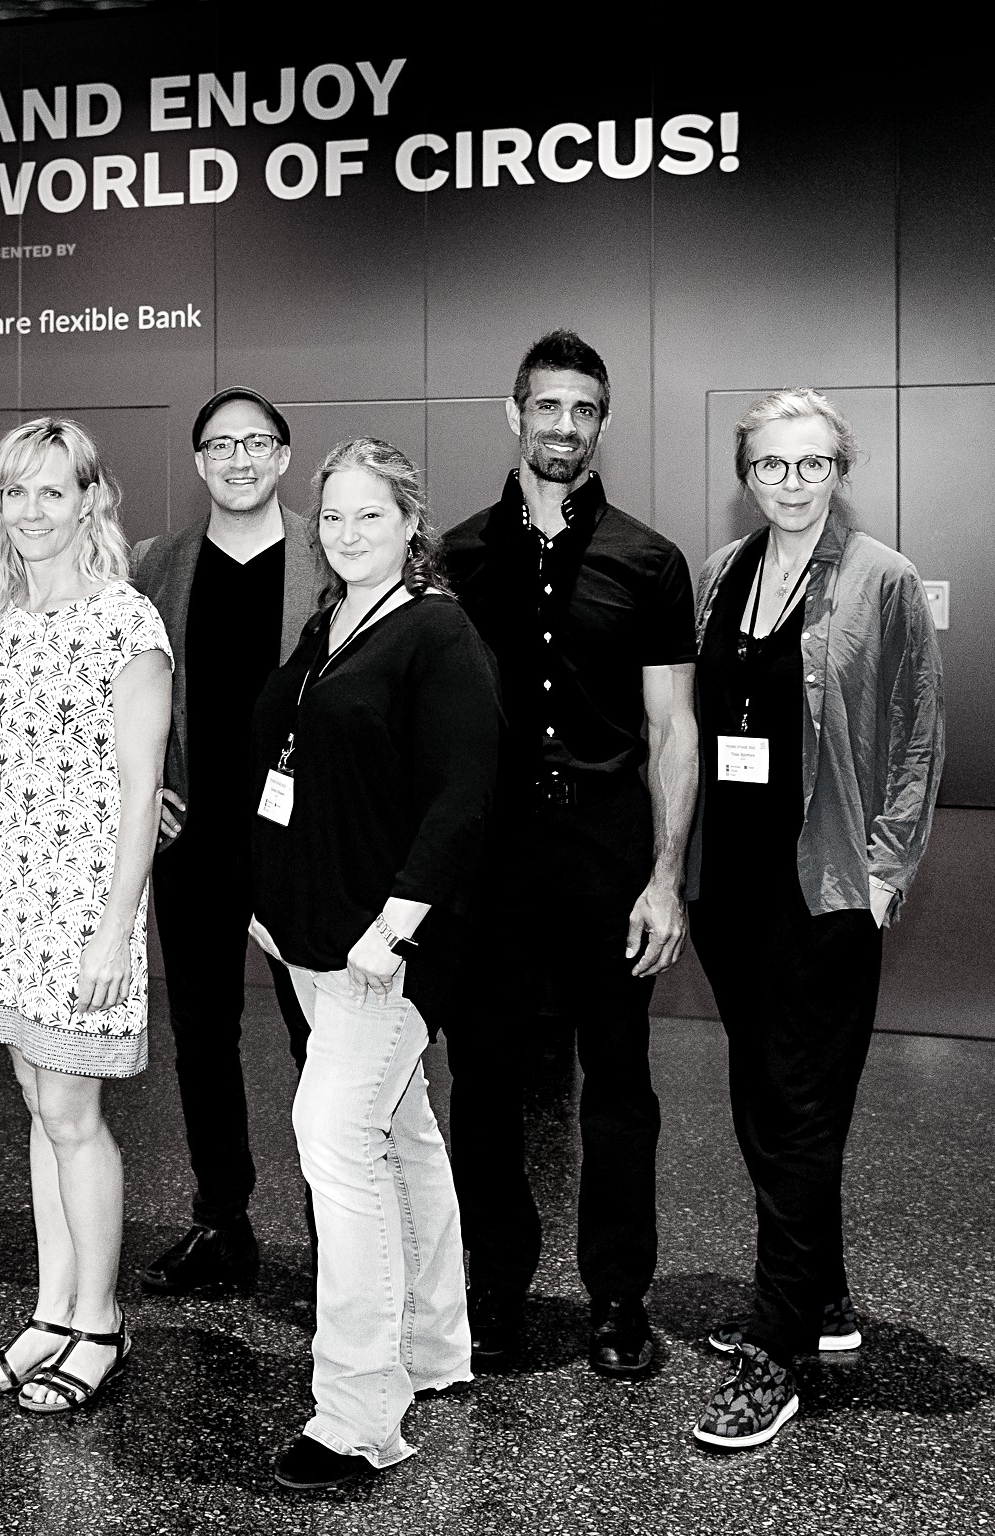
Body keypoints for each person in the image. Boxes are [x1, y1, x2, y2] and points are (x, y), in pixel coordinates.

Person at [684, 389, 942, 1450]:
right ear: (746, 473)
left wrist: (886, 871)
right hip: (731, 888)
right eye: (772, 465)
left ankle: (779, 1347)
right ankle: (820, 1299)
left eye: (813, 464)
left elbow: (918, 732)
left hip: (826, 885)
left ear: (841, 469)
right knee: (763, 1098)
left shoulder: (882, 578)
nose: (792, 483)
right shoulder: (722, 572)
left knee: (797, 1111)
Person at [444, 329, 699, 1379]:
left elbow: (673, 729)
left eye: (584, 409)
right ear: (515, 414)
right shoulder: (454, 558)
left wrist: (666, 879)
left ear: (602, 423)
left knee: (620, 1082)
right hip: (491, 861)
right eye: (547, 406)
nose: (564, 425)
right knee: (484, 1079)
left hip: (608, 853)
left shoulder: (650, 561)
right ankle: (495, 1286)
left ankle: (619, 1297)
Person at [248, 438, 497, 1489]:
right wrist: (268, 904)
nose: (349, 534)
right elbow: (292, 768)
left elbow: (465, 796)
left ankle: (357, 1417)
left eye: (372, 516)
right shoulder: (330, 623)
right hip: (312, 935)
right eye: (335, 517)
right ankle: (438, 1348)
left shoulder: (438, 632)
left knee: (334, 1138)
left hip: (385, 950)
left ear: (411, 524)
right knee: (403, 1133)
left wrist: (393, 929)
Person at [0, 419, 171, 1413]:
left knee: (75, 1114)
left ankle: (99, 1323)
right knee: (40, 1106)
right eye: (16, 491)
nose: (32, 510)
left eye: (53, 491)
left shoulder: (126, 624)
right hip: (6, 897)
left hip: (84, 903)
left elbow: (142, 790)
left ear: (90, 502)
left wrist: (117, 928)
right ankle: (50, 1312)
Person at [131, 387, 319, 1296]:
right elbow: (114, 689)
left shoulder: (332, 553)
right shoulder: (156, 564)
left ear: (283, 455)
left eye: (256, 442)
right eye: (220, 445)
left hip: (303, 845)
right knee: (202, 1039)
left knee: (320, 1044)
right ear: (199, 462)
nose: (239, 459)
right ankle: (222, 1222)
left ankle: (338, 1236)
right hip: (195, 841)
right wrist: (143, 791)